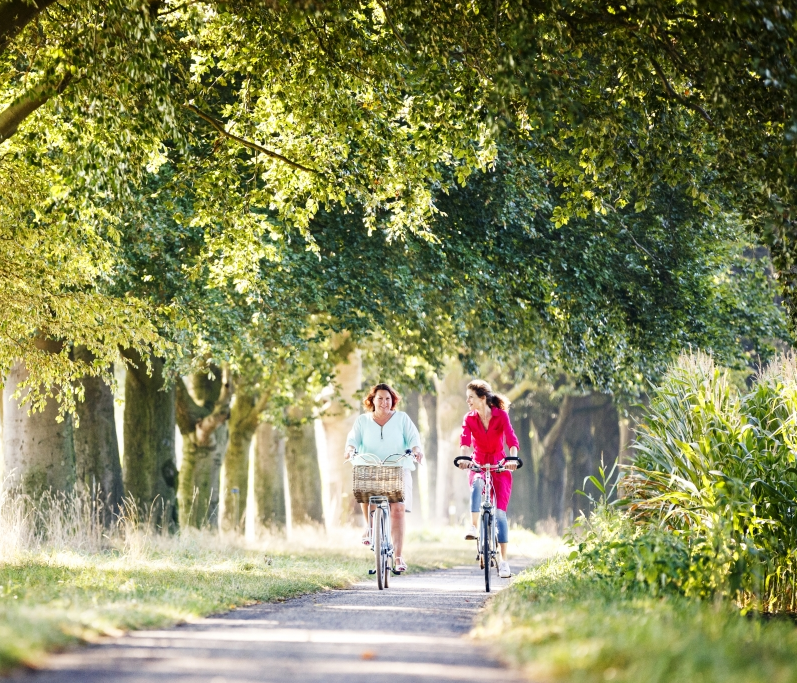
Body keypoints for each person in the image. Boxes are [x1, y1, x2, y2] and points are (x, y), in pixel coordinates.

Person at [344, 382, 424, 573]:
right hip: (369, 466)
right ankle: (370, 528)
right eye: (380, 398)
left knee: (398, 509)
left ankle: (398, 557)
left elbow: (414, 438)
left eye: (388, 399)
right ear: (372, 400)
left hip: (397, 467)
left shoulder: (402, 418)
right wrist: (350, 449)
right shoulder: (362, 421)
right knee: (365, 491)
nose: (384, 402)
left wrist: (417, 451)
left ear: (393, 401)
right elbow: (353, 439)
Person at [457, 379, 519, 579]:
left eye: (471, 398)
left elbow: (511, 439)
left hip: (500, 465)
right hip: (478, 462)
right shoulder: (469, 418)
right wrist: (465, 459)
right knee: (476, 483)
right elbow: (465, 440)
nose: (468, 401)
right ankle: (474, 526)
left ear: (482, 398)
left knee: (500, 515)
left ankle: (503, 562)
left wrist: (512, 459)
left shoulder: (500, 416)